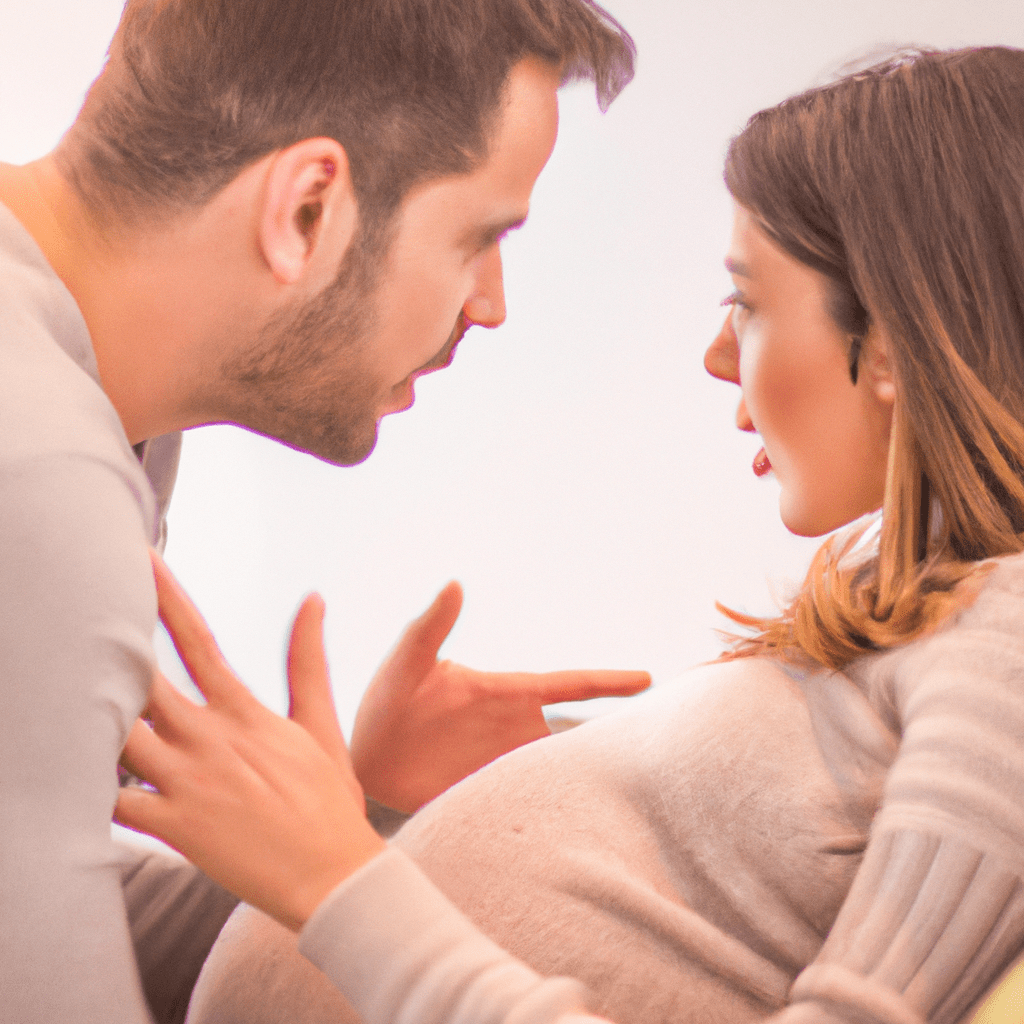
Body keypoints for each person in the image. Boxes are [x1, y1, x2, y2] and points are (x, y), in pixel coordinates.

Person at [118, 44, 1024, 1024]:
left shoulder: (1006, 657)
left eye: (747, 302)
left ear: (887, 341)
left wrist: (340, 881)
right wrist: (379, 804)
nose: (717, 353)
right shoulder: (908, 599)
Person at [0, 1, 649, 1021]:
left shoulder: (91, 411)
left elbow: (32, 923)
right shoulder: (39, 472)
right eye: (477, 235)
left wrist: (342, 828)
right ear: (307, 209)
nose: (491, 303)